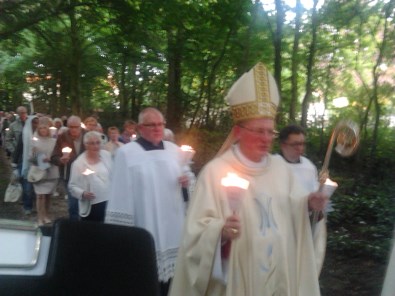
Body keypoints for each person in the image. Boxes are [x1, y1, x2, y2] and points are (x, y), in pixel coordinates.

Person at [169, 63, 328, 296]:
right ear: (239, 131)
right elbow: (194, 235)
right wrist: (220, 232)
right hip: (235, 280)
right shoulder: (215, 173)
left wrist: (309, 205)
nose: (266, 138)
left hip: (279, 277)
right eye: (258, 131)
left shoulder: (281, 169)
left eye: (270, 131)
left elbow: (294, 215)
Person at [105, 107, 193, 296]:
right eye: (151, 124)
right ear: (139, 127)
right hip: (144, 221)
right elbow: (119, 194)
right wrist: (122, 234)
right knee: (147, 279)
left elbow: (189, 184)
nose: (157, 128)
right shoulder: (126, 153)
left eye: (160, 124)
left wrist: (187, 183)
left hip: (173, 223)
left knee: (173, 282)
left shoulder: (174, 151)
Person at [279, 124, 328, 273]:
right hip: (283, 226)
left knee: (303, 267)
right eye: (295, 144)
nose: (300, 148)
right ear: (283, 145)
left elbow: (314, 190)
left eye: (302, 143)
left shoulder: (309, 166)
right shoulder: (273, 165)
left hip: (306, 224)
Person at [68, 131, 112, 222]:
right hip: (92, 204)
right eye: (92, 143)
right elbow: (72, 186)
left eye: (98, 143)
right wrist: (82, 193)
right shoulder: (79, 163)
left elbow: (113, 174)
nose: (96, 146)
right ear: (86, 145)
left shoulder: (106, 156)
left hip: (109, 201)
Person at [51, 115, 86, 220]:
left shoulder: (88, 135)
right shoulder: (62, 137)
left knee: (86, 204)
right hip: (70, 175)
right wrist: (60, 160)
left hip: (86, 175)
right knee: (73, 205)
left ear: (80, 126)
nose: (73, 129)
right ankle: (74, 228)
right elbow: (54, 156)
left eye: (76, 127)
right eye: (71, 127)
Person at [29, 117, 59, 225]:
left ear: (48, 129)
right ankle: (39, 217)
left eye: (45, 128)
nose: (43, 130)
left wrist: (50, 159)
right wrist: (35, 155)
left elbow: (56, 155)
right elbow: (30, 157)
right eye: (40, 128)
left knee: (48, 195)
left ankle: (46, 214)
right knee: (39, 195)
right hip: (39, 171)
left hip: (51, 170)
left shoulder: (53, 141)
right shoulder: (34, 140)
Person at [11, 115, 39, 215]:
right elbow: (19, 148)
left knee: (33, 187)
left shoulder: (39, 134)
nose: (35, 125)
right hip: (24, 163)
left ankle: (32, 203)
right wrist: (14, 163)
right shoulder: (25, 133)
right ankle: (27, 206)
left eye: (37, 123)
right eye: (33, 123)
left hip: (35, 163)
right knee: (27, 186)